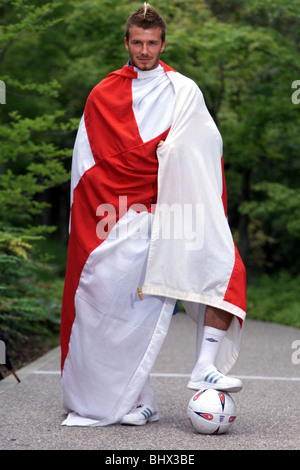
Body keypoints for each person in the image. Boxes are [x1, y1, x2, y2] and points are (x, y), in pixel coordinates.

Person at [60, 2, 246, 427]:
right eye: (138, 43)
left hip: (177, 205)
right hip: (120, 214)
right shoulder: (102, 94)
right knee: (119, 300)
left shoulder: (184, 90)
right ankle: (140, 399)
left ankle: (204, 366)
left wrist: (172, 157)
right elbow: (90, 166)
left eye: (152, 43)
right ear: (126, 43)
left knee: (224, 269)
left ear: (163, 44)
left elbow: (205, 145)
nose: (145, 50)